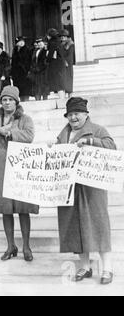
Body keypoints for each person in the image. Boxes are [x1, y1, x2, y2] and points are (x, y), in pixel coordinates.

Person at [55, 97, 115, 285]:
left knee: (98, 226)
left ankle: (107, 268)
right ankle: (85, 267)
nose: (73, 118)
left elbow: (112, 147)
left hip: (92, 189)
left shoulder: (98, 130)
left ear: (86, 114)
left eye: (77, 114)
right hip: (71, 188)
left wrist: (91, 140)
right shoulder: (63, 134)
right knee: (75, 227)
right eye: (70, 114)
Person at [0, 86, 38, 261]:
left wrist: (7, 132)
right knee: (5, 210)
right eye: (4, 99)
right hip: (0, 167)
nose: (7, 102)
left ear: (16, 101)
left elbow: (29, 136)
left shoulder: (25, 119)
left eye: (10, 99)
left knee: (23, 209)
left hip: (19, 168)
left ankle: (27, 246)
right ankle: (10, 246)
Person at [46, 28, 66, 99]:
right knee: (60, 81)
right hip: (60, 64)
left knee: (57, 81)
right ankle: (62, 97)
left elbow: (50, 54)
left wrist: (47, 60)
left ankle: (61, 98)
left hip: (54, 64)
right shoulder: (59, 42)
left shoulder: (52, 43)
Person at [11, 36, 32, 102]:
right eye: (19, 42)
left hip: (24, 72)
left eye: (22, 41)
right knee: (18, 88)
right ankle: (22, 100)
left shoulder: (27, 49)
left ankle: (26, 100)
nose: (21, 43)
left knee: (25, 88)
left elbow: (29, 61)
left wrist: (27, 69)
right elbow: (13, 62)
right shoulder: (15, 50)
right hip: (16, 73)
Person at [60, 29, 75, 97]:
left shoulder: (70, 44)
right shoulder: (61, 44)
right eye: (61, 36)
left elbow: (70, 55)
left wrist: (66, 62)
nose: (62, 37)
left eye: (64, 36)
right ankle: (66, 93)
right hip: (62, 64)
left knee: (69, 78)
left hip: (68, 64)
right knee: (64, 79)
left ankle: (70, 94)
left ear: (67, 37)